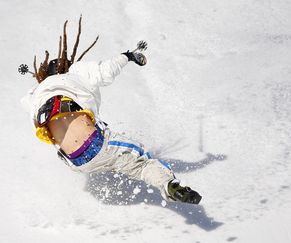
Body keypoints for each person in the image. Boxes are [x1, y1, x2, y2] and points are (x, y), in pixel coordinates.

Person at [20, 17, 201, 204]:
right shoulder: (75, 73)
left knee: (122, 162)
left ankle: (122, 168)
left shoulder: (35, 95)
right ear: (66, 67)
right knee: (144, 163)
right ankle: (170, 186)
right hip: (96, 144)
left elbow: (25, 101)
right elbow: (106, 71)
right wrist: (128, 56)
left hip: (75, 161)